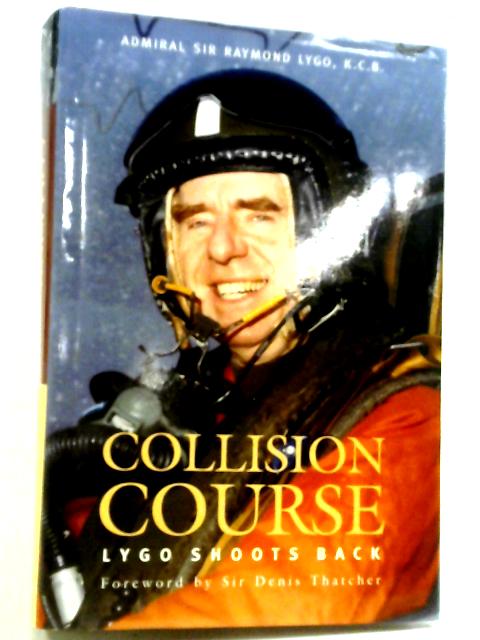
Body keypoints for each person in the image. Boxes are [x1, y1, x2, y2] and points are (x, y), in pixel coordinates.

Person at [45, 69, 441, 630]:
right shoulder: (190, 405)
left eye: (259, 215)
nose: (224, 248)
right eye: (195, 221)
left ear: (326, 231)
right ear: (164, 250)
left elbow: (259, 613)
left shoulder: (406, 419)